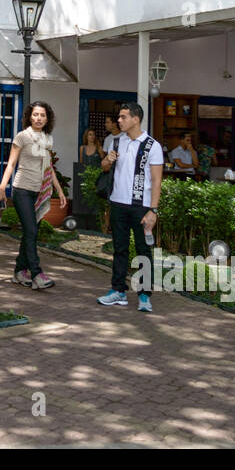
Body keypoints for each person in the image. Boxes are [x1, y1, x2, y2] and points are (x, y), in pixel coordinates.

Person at [97, 102, 164, 312]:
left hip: (141, 207)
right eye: (119, 117)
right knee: (120, 249)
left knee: (143, 250)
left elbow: (156, 181)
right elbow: (104, 167)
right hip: (118, 203)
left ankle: (144, 295)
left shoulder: (152, 146)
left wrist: (153, 211)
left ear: (135, 119)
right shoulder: (116, 142)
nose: (119, 120)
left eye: (123, 117)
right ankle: (118, 291)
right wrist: (107, 160)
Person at [0, 101, 67, 290]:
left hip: (39, 191)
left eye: (42, 115)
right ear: (29, 116)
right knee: (32, 231)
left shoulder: (47, 138)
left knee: (29, 232)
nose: (39, 118)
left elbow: (48, 167)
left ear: (47, 118)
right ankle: (36, 273)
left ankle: (19, 271)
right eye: (35, 114)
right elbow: (11, 164)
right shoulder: (22, 137)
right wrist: (2, 188)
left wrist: (59, 190)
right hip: (22, 190)